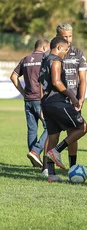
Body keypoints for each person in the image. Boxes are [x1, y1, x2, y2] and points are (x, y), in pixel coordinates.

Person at [39, 36, 87, 182]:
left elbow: (42, 82)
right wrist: (72, 97)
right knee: (82, 127)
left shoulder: (45, 60)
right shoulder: (56, 60)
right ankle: (57, 151)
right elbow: (56, 82)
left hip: (47, 103)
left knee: (53, 136)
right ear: (59, 47)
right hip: (58, 102)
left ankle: (52, 175)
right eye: (65, 50)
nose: (66, 54)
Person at [52, 23, 87, 174]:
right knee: (53, 133)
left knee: (74, 133)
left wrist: (81, 98)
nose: (68, 39)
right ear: (58, 36)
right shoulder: (53, 54)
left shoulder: (78, 53)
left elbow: (83, 79)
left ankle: (72, 166)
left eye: (70, 36)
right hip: (56, 99)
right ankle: (48, 169)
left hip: (73, 100)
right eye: (64, 36)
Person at [10, 39, 50, 169]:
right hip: (40, 99)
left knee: (32, 129)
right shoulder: (45, 58)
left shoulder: (25, 59)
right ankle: (36, 151)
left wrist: (23, 92)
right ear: (44, 48)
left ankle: (34, 158)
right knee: (50, 127)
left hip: (28, 100)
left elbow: (13, 76)